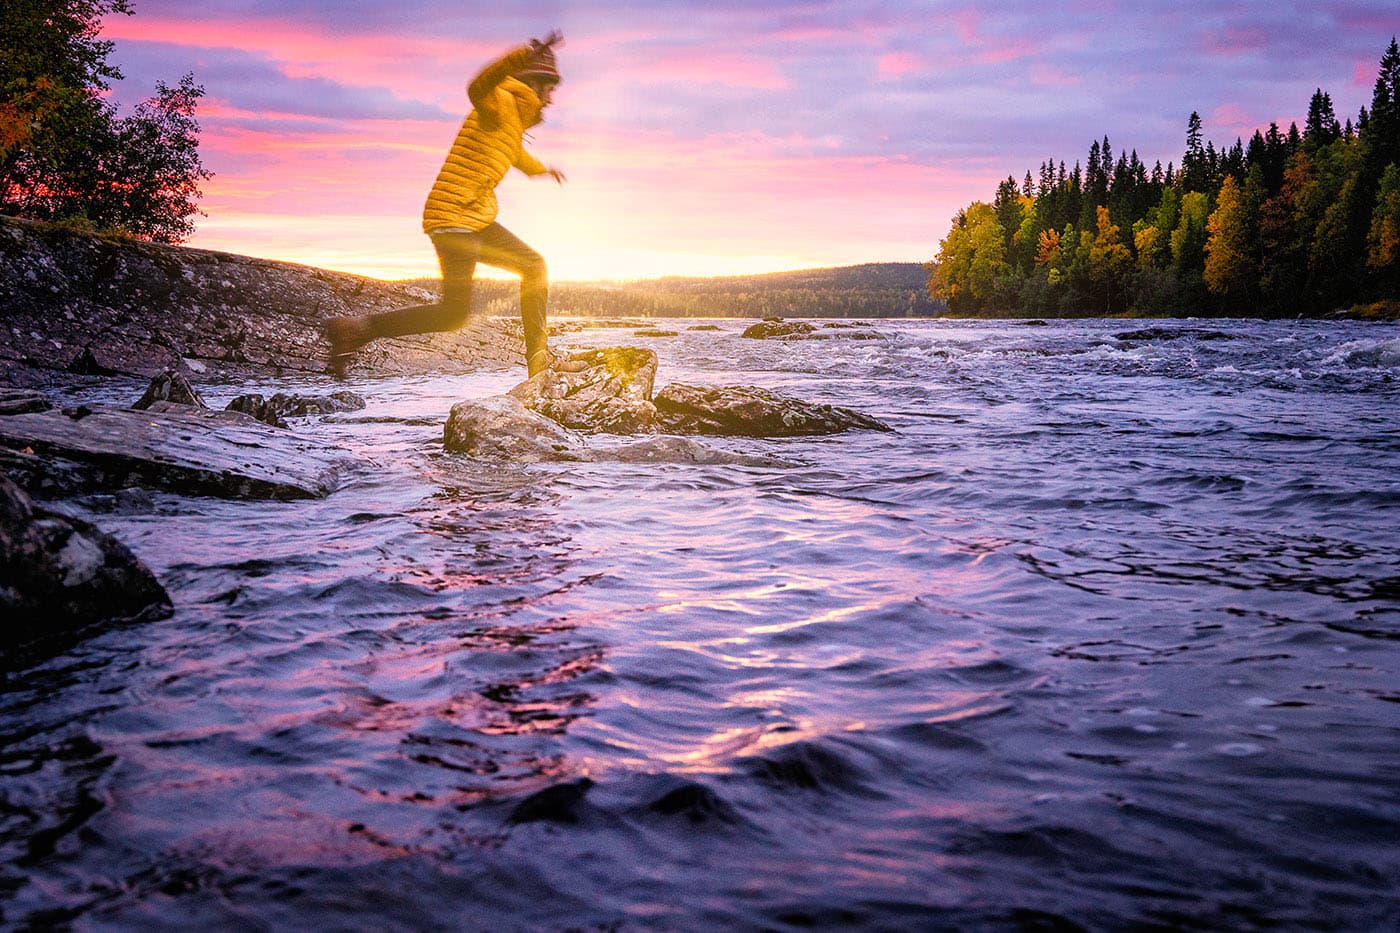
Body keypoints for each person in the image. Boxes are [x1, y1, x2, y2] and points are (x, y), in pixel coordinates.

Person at [324, 31, 584, 378]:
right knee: (455, 312)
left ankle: (539, 360)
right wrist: (521, 55)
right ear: (532, 84)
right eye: (549, 89)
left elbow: (516, 155)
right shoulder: (497, 104)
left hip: (472, 217)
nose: (551, 99)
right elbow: (477, 86)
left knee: (531, 268)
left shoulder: (510, 123)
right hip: (455, 218)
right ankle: (356, 328)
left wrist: (543, 170)